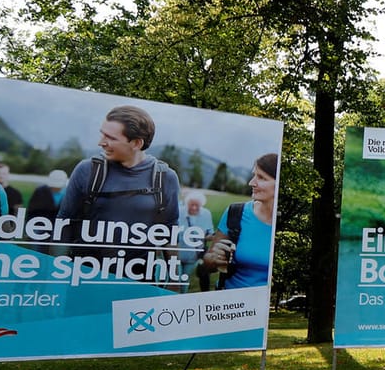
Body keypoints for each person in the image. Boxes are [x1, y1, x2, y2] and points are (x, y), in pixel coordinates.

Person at [57, 104, 181, 238]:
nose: (101, 143)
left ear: (136, 143)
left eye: (110, 138)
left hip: (139, 260)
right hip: (83, 259)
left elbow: (170, 234)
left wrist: (174, 259)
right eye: (102, 135)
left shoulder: (165, 177)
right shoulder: (87, 170)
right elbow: (63, 226)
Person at [199, 154, 277, 290]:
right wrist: (213, 259)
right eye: (254, 175)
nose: (251, 183)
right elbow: (207, 264)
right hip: (232, 304)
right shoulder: (236, 212)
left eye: (262, 178)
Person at [178, 190, 214, 289]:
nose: (194, 207)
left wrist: (211, 237)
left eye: (197, 205)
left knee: (185, 279)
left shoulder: (206, 214)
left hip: (193, 255)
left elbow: (209, 233)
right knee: (176, 279)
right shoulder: (179, 212)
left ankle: (183, 298)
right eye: (191, 205)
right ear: (187, 203)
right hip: (177, 253)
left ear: (201, 205)